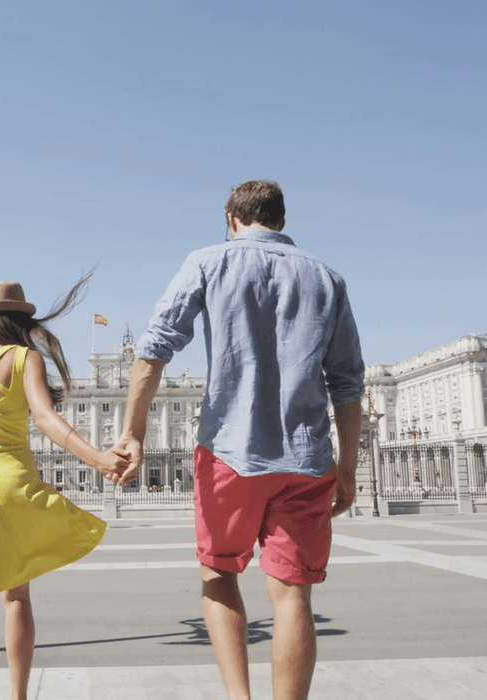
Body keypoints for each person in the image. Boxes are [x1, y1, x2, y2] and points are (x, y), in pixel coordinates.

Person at [115, 180, 365, 700]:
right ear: (281, 219)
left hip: (228, 451)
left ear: (231, 219)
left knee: (218, 575)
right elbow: (347, 382)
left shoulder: (208, 262)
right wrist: (347, 466)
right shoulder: (327, 278)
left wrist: (133, 433)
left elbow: (153, 350)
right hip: (306, 455)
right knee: (293, 596)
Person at [0, 276, 129, 700]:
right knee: (16, 596)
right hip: (13, 484)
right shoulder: (25, 359)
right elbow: (46, 419)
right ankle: (19, 697)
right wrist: (98, 459)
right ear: (17, 320)